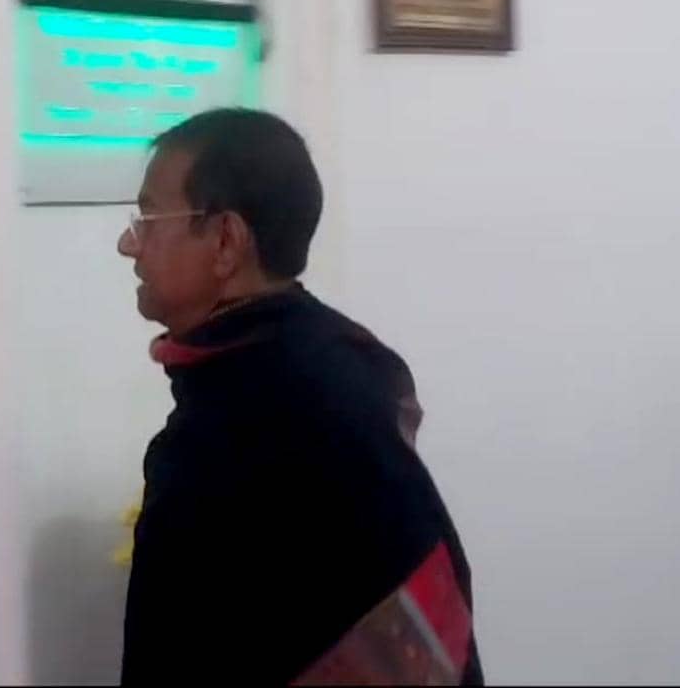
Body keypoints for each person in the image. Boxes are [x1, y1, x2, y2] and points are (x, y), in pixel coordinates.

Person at [116, 108, 483, 685]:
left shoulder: (241, 425)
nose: (128, 244)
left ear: (225, 241)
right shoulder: (337, 357)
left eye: (149, 218)